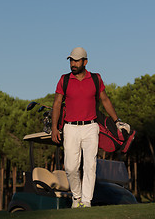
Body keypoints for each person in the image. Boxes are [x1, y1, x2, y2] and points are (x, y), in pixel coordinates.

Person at [51, 47, 130, 208]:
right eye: (71, 60)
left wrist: (117, 121)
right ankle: (77, 197)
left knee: (90, 165)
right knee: (71, 167)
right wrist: (54, 127)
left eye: (77, 60)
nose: (73, 64)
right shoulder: (64, 79)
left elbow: (105, 100)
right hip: (70, 128)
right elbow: (57, 103)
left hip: (91, 127)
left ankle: (86, 201)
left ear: (85, 62)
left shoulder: (96, 78)